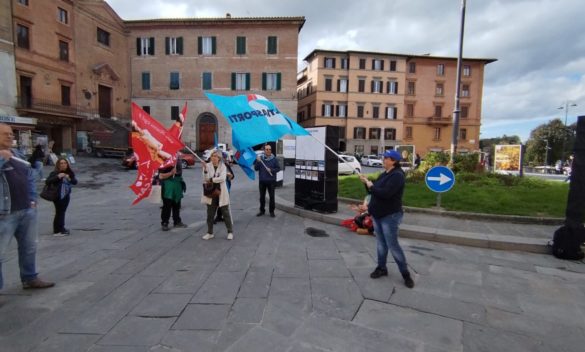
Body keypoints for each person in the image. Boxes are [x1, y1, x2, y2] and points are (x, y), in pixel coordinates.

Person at [0, 123, 54, 289]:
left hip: (26, 209)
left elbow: (29, 175)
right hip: (4, 213)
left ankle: (30, 278)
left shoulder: (17, 154)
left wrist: (32, 199)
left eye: (11, 133)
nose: (10, 136)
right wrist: (2, 159)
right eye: (5, 134)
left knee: (29, 247)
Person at [359, 149, 414, 289]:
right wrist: (367, 183)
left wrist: (372, 186)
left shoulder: (397, 176)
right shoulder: (385, 174)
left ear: (393, 161)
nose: (383, 159)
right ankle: (382, 268)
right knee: (381, 244)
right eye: (383, 157)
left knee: (393, 245)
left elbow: (386, 194)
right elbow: (373, 192)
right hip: (377, 214)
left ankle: (405, 274)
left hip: (390, 216)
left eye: (386, 158)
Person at [201, 150, 234, 240]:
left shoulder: (223, 166)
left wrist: (211, 179)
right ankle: (210, 232)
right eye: (212, 156)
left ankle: (230, 231)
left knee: (225, 212)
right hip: (211, 192)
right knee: (210, 214)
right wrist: (205, 171)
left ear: (219, 158)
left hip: (221, 192)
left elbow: (222, 178)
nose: (213, 157)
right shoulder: (207, 166)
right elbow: (205, 178)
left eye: (216, 156)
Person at [45, 158, 78, 236]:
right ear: (58, 165)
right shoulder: (55, 173)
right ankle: (58, 230)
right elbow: (48, 181)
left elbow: (75, 182)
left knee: (62, 212)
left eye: (65, 163)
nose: (63, 165)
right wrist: (58, 177)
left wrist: (69, 178)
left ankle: (60, 228)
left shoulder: (69, 172)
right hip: (58, 195)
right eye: (61, 163)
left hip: (66, 195)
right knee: (59, 212)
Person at [159, 157, 187, 231]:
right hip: (168, 185)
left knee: (177, 205)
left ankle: (177, 221)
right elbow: (161, 176)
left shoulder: (178, 158)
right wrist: (171, 173)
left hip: (177, 184)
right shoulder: (164, 160)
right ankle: (165, 223)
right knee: (167, 206)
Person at [254, 144, 280, 217]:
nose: (268, 151)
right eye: (267, 149)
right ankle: (262, 210)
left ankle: (272, 211)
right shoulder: (260, 159)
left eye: (270, 149)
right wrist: (258, 161)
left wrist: (271, 170)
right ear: (264, 150)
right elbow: (256, 168)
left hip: (271, 181)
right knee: (262, 197)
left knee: (272, 197)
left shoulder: (274, 159)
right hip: (262, 181)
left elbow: (278, 168)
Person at [214, 151, 235, 223]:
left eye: (225, 158)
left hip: (226, 186)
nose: (225, 159)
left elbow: (232, 176)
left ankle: (220, 216)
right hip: (217, 186)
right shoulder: (216, 166)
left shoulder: (227, 165)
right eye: (223, 158)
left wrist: (230, 176)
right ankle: (214, 217)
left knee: (224, 202)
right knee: (216, 202)